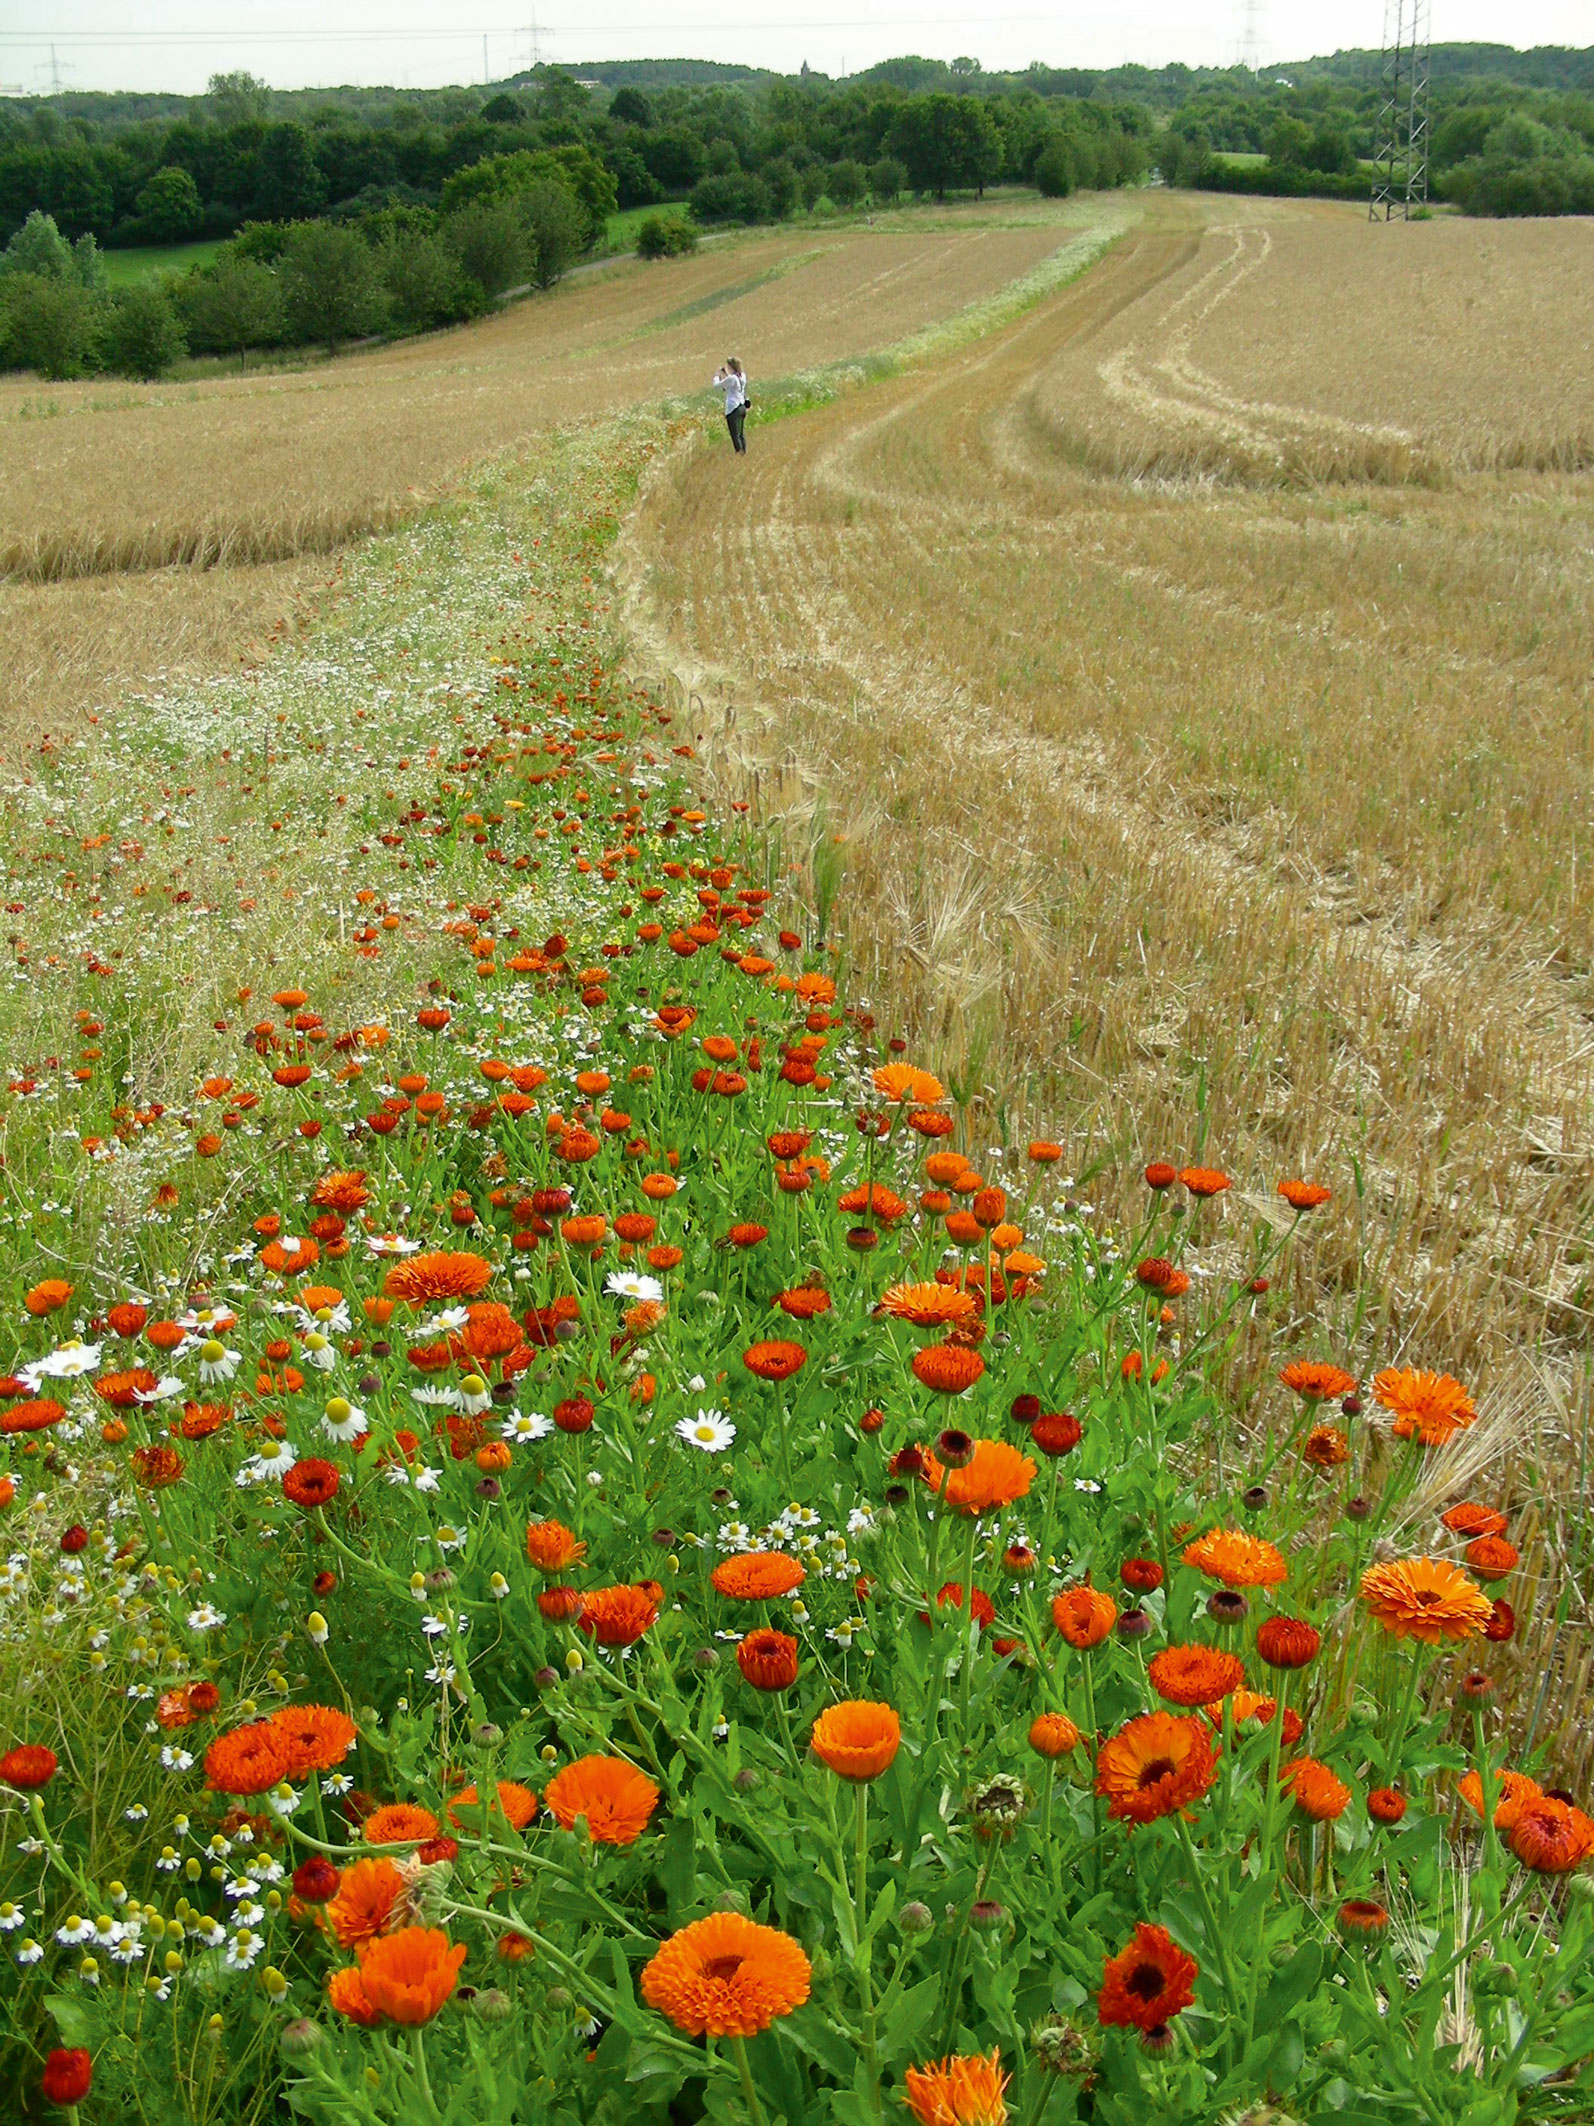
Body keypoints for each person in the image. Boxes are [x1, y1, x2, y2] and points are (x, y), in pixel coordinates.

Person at [713, 357, 749, 454]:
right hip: (742, 407)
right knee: (740, 434)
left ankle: (739, 454)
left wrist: (717, 376)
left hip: (733, 409)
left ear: (730, 366)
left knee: (734, 435)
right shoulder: (742, 376)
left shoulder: (732, 378)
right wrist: (726, 374)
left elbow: (716, 386)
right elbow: (732, 382)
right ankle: (744, 453)